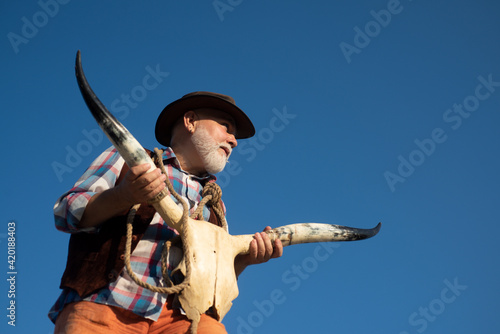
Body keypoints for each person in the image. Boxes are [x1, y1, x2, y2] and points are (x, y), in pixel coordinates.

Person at [49, 91, 283, 334]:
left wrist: (242, 260)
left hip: (183, 320)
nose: (234, 140)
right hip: (104, 307)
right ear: (190, 121)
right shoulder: (130, 161)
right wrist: (124, 195)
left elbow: (212, 278)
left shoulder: (215, 205)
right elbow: (66, 213)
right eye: (226, 127)